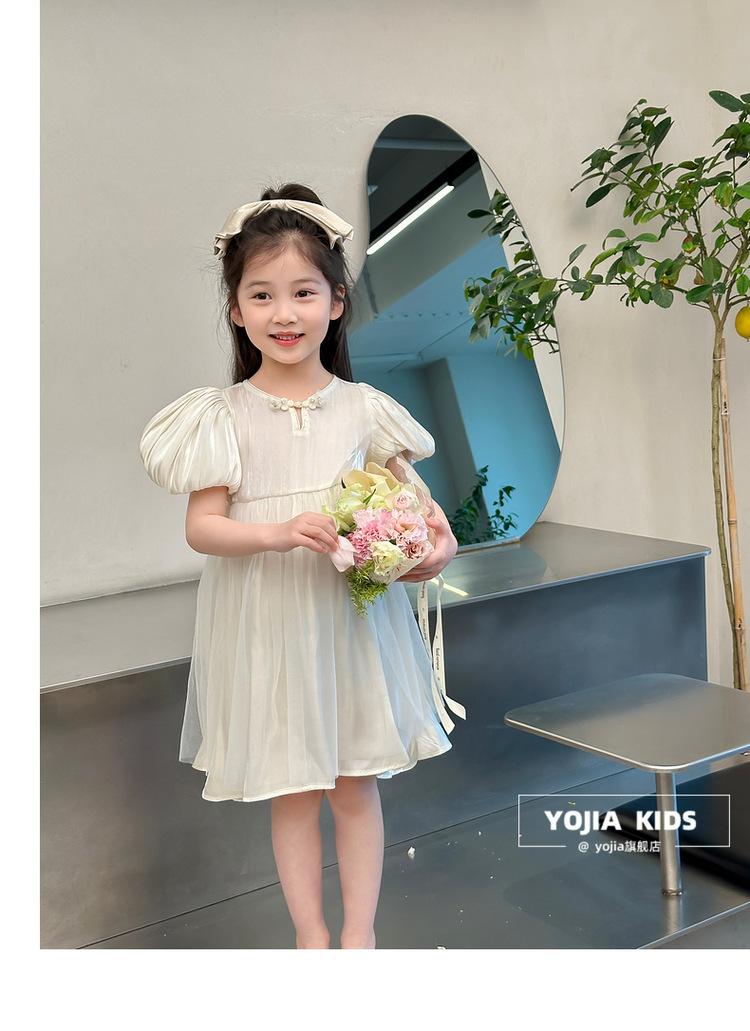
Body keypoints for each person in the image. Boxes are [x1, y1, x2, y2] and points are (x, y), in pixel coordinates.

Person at [138, 182, 465, 950]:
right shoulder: (222, 415)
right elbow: (203, 528)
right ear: (236, 309)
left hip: (351, 628)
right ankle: (311, 940)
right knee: (292, 790)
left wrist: (430, 555)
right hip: (270, 627)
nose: (283, 313)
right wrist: (279, 532)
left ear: (337, 301)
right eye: (262, 294)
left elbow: (431, 523)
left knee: (355, 782)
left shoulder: (364, 409)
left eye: (303, 292)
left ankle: (359, 938)